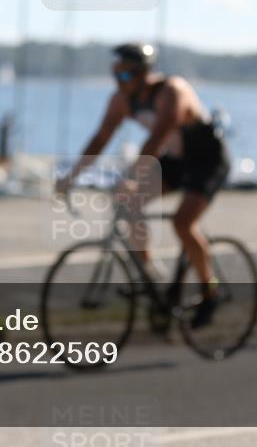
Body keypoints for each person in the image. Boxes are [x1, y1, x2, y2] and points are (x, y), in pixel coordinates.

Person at [56, 43, 231, 328]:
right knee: (129, 203)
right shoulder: (121, 100)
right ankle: (150, 273)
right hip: (175, 159)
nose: (119, 82)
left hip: (207, 160)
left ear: (144, 73)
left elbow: (157, 138)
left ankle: (210, 289)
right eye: (115, 74)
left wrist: (133, 177)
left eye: (126, 76)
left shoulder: (172, 91)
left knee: (183, 223)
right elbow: (100, 139)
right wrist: (71, 176)